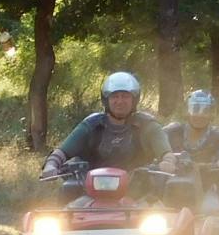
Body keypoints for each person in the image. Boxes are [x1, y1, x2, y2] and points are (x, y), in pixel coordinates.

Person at [40, 71, 170, 179]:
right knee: (67, 194)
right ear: (106, 100)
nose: (120, 101)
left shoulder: (148, 126)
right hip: (90, 192)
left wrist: (168, 162)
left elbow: (166, 153)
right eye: (115, 96)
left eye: (125, 96)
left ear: (134, 99)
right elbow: (62, 151)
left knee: (164, 206)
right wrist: (51, 165)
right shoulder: (91, 125)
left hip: (141, 195)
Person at [164, 90, 219, 165]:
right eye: (195, 109)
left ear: (212, 114)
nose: (200, 115)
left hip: (208, 176)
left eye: (205, 111)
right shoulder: (171, 132)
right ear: (187, 112)